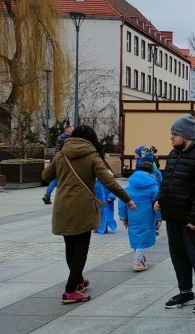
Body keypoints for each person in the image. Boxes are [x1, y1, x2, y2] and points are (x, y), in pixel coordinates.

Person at [43, 125, 136, 304]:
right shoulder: (92, 156)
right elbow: (108, 181)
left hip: (63, 205)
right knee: (81, 249)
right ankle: (70, 290)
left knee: (70, 245)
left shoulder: (61, 154)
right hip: (83, 207)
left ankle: (78, 281)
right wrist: (127, 199)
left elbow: (46, 175)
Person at [154, 114, 195, 313]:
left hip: (192, 219)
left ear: (186, 135)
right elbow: (167, 180)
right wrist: (159, 199)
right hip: (173, 215)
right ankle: (186, 292)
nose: (171, 138)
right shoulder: (175, 153)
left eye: (174, 134)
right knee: (179, 257)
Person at [119, 161, 161, 272]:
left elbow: (122, 202)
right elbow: (157, 203)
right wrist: (159, 217)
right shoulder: (153, 187)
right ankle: (137, 262)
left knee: (136, 237)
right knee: (143, 238)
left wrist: (123, 217)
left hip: (132, 215)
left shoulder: (129, 186)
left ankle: (141, 259)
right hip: (147, 216)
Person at [43, 125, 73, 204]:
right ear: (68, 131)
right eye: (72, 130)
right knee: (58, 179)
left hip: (57, 159)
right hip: (64, 161)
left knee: (56, 179)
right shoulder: (67, 139)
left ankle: (47, 195)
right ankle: (48, 195)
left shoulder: (60, 137)